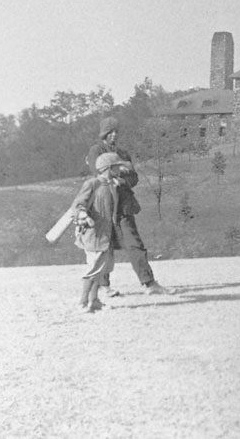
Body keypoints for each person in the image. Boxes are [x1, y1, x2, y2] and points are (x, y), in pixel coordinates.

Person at [86, 117, 173, 296]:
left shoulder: (124, 154)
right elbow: (97, 172)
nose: (114, 135)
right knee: (104, 246)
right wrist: (115, 175)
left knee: (135, 244)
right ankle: (104, 286)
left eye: (116, 131)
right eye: (110, 132)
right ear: (104, 133)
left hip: (123, 206)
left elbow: (133, 177)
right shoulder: (96, 150)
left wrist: (122, 181)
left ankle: (149, 283)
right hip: (103, 207)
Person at [71, 152, 125, 313]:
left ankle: (94, 301)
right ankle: (82, 302)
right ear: (108, 167)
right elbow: (78, 204)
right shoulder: (93, 183)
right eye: (116, 166)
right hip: (94, 234)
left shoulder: (111, 185)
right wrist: (83, 215)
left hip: (106, 235)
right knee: (93, 269)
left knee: (101, 270)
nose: (119, 169)